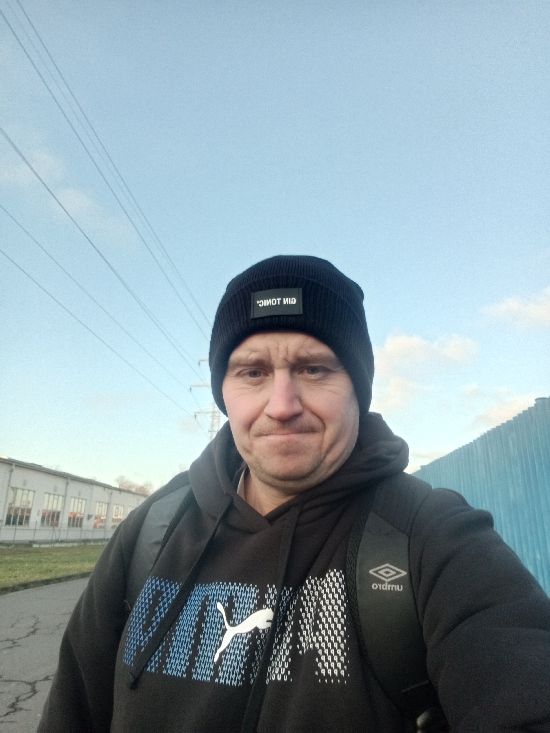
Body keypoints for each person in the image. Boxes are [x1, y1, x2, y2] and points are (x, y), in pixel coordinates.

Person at [39, 255, 550, 732]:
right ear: (224, 392)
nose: (282, 405)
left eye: (313, 369)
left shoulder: (430, 536)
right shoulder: (152, 529)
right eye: (253, 372)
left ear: (357, 389)